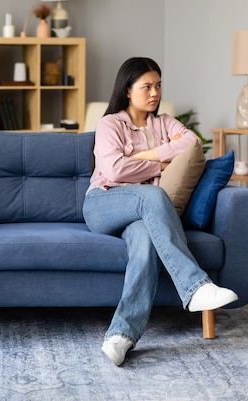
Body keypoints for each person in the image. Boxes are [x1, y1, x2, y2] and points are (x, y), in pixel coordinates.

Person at [82, 57, 238, 367]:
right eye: (147, 87)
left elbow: (192, 142)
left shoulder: (164, 122)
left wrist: (143, 155)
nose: (155, 93)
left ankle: (121, 335)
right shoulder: (110, 123)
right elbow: (113, 170)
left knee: (145, 238)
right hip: (104, 203)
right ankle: (195, 287)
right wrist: (160, 163)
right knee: (153, 194)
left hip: (142, 213)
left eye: (158, 86)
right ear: (128, 90)